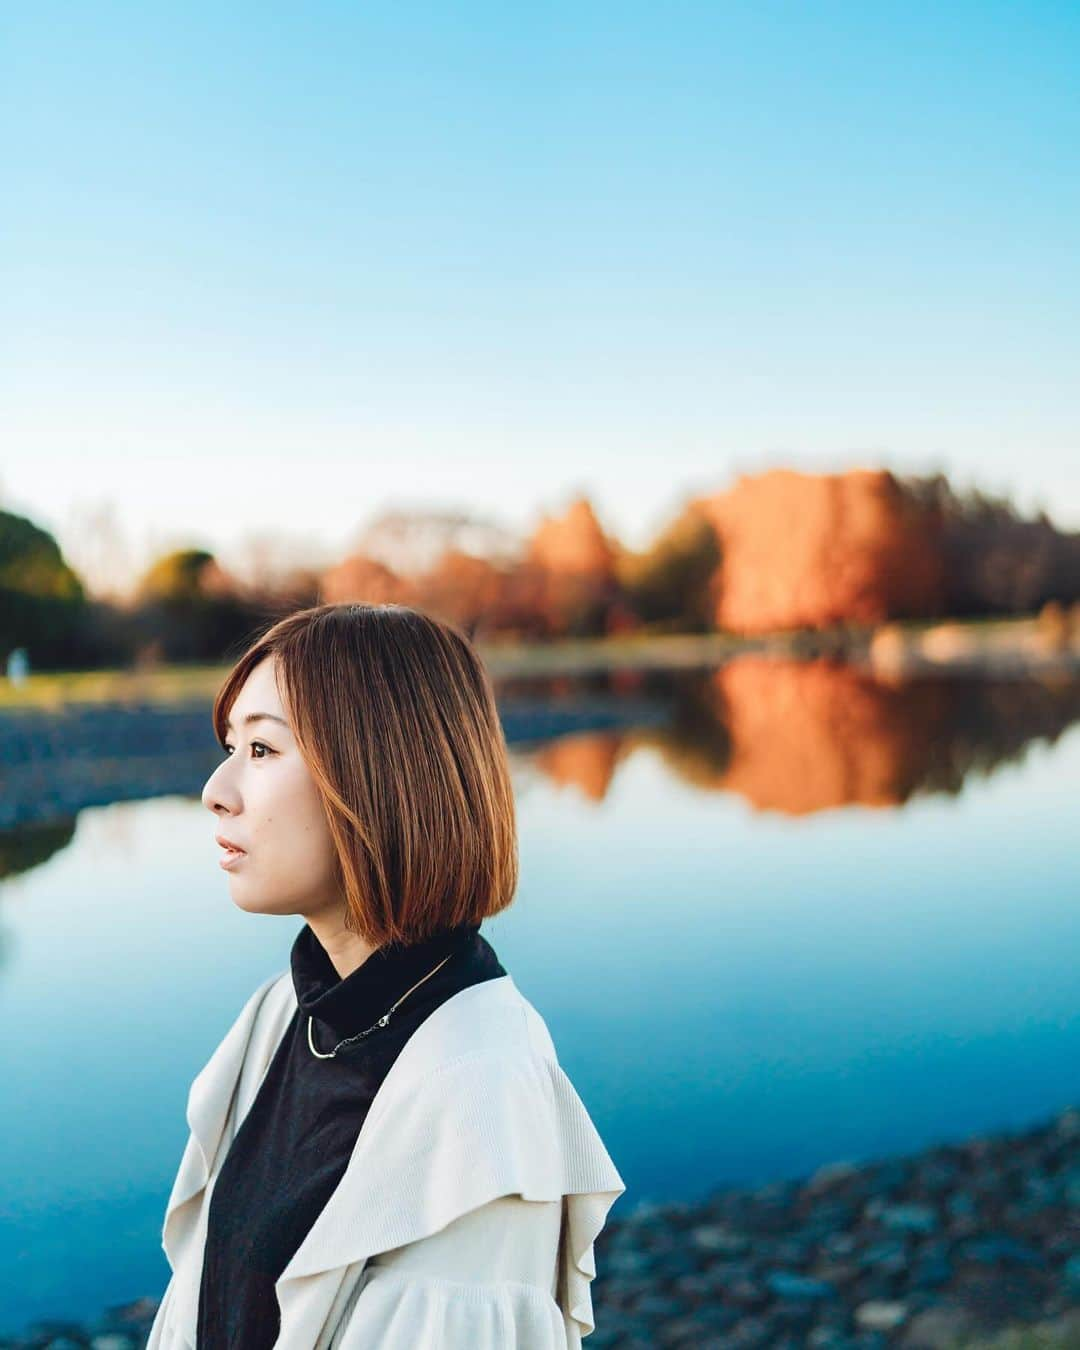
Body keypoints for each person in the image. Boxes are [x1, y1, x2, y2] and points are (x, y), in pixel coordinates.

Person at [146, 602, 625, 1349]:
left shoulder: (481, 1095)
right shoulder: (284, 1014)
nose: (217, 787)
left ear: (378, 774)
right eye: (231, 745)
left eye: (263, 751)